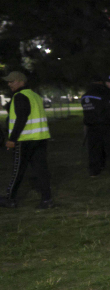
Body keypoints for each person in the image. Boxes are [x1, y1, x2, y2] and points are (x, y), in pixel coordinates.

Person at [1, 71, 53, 209]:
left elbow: (21, 118)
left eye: (12, 81)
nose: (9, 84)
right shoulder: (34, 95)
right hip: (40, 138)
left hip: (24, 140)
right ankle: (47, 200)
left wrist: (12, 139)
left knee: (18, 170)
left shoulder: (20, 96)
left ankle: (10, 199)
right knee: (41, 170)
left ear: (21, 81)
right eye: (8, 81)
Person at [81, 76, 110, 176]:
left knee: (93, 150)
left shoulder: (85, 95)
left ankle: (94, 171)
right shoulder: (104, 93)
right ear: (101, 83)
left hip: (91, 126)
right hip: (105, 125)